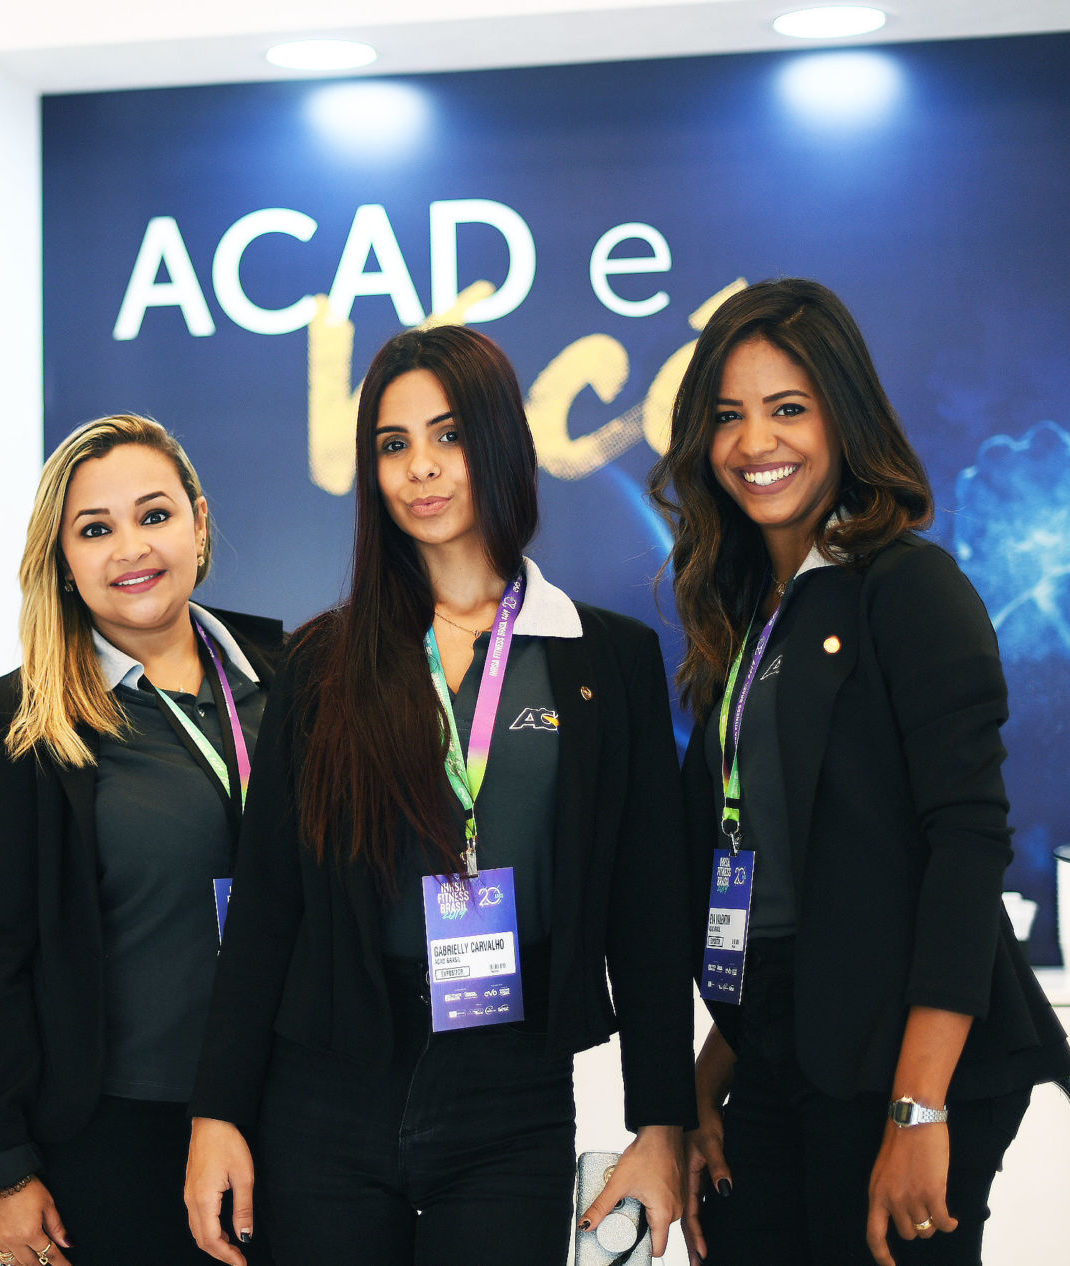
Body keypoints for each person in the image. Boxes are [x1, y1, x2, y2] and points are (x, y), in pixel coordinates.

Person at [183, 325, 694, 1266]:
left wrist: (663, 1126)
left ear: (500, 442)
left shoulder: (607, 660)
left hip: (511, 1088)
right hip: (328, 1085)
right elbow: (266, 905)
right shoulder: (322, 663)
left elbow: (647, 915)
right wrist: (217, 1113)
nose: (420, 467)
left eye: (448, 435)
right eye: (393, 443)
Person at [645, 279, 1070, 1266]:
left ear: (843, 417)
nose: (755, 442)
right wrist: (710, 1075)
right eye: (728, 416)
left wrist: (918, 1107)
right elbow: (777, 892)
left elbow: (966, 847)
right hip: (780, 1051)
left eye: (788, 408)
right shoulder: (745, 616)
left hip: (905, 1060)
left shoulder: (909, 586)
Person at [0, 414, 282, 1266]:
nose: (130, 548)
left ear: (198, 523)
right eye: (95, 530)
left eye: (154, 515)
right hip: (117, 1140)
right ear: (62, 559)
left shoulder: (291, 677)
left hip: (296, 1116)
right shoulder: (18, 721)